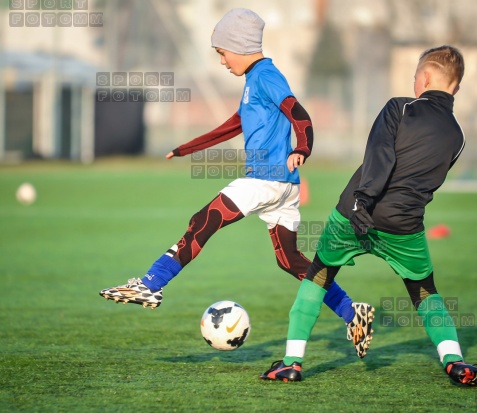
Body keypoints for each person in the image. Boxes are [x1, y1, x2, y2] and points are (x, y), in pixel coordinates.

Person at [98, 8, 374, 358]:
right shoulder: (254, 81)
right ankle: (352, 313)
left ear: (239, 46)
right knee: (290, 261)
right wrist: (186, 149)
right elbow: (231, 126)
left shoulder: (266, 75)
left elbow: (299, 114)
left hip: (266, 179)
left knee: (203, 220)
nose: (223, 62)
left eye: (222, 53)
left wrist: (303, 147)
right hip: (283, 188)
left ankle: (152, 283)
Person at [260, 45, 477, 387]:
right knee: (425, 292)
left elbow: (380, 154)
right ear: (455, 87)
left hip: (355, 214)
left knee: (318, 276)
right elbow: (426, 181)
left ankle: (292, 363)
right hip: (405, 227)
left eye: (416, 75)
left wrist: (362, 202)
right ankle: (455, 361)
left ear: (425, 77)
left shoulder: (400, 107)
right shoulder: (457, 136)